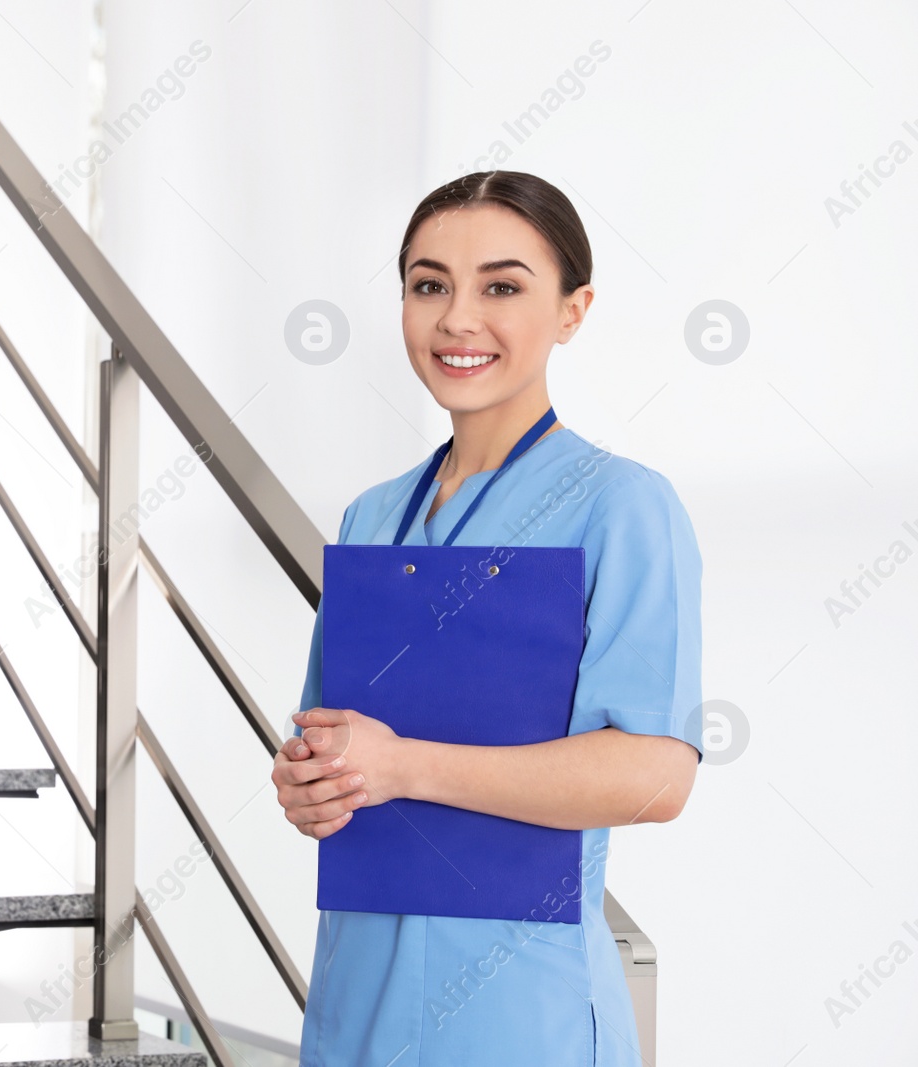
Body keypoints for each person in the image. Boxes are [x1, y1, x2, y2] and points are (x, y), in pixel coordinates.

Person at [272, 170, 704, 1066]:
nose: (457, 318)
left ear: (573, 310)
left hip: (520, 1009)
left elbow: (658, 777)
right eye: (430, 285)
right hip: (359, 998)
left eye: (501, 287)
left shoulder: (622, 507)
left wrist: (401, 766)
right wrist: (308, 783)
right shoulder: (373, 516)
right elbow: (331, 741)